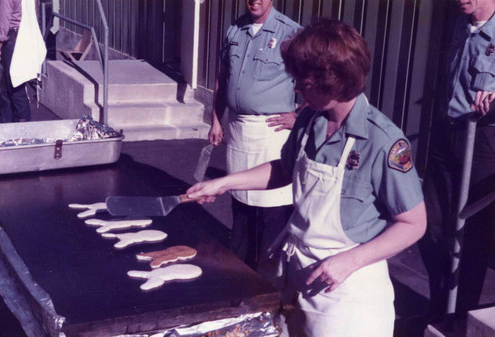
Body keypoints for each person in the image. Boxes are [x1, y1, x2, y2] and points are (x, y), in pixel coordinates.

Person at [189, 19, 427, 337]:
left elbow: (414, 223)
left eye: (304, 80)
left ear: (333, 80)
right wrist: (223, 183)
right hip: (299, 274)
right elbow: (285, 170)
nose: (297, 87)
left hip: (349, 294)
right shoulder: (310, 119)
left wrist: (349, 261)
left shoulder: (382, 141)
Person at [207, 0, 300, 282]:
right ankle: (240, 281)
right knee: (241, 206)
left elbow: (318, 79)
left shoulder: (292, 33)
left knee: (272, 212)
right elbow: (222, 79)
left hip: (271, 133)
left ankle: (269, 287)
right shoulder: (235, 30)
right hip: (238, 130)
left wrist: (300, 115)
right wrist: (215, 119)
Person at [418, 0, 495, 321]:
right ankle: (439, 305)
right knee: (430, 227)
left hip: (483, 140)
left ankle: (461, 317)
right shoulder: (459, 27)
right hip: (447, 133)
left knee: (473, 236)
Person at [0, 0, 46, 123]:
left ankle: (23, 126)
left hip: (12, 39)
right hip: (25, 37)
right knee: (6, 85)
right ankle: (5, 125)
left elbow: (4, 20)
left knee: (15, 84)